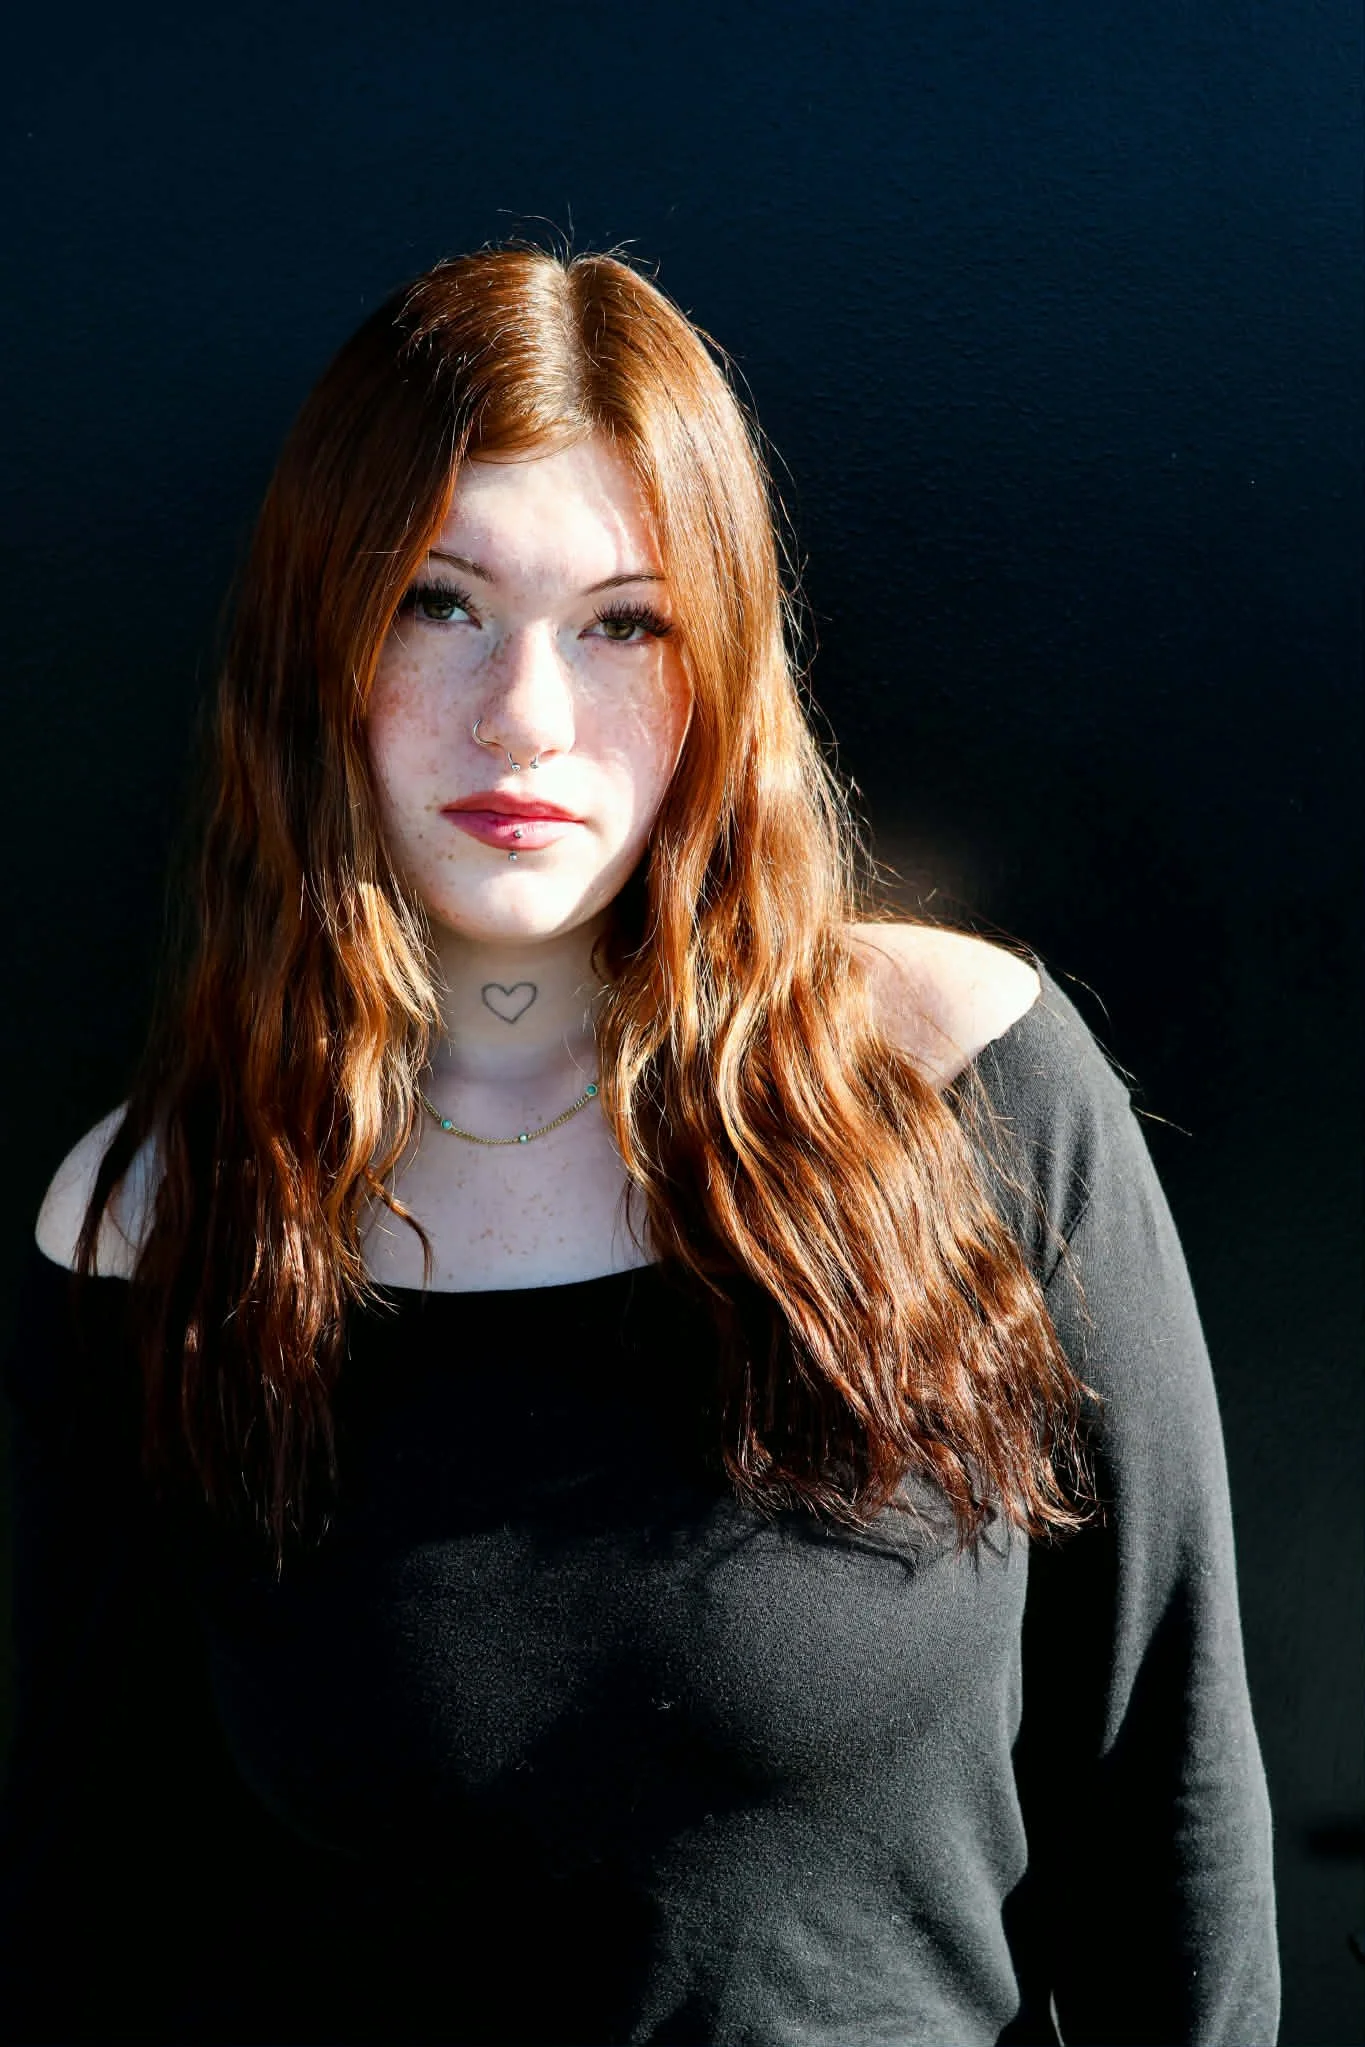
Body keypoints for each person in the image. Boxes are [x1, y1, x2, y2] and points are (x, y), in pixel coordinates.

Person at [0, 246, 1278, 2046]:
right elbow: (85, 1928)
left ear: (717, 671)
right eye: (439, 602)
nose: (526, 713)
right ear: (319, 643)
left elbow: (1169, 1801)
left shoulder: (960, 1084)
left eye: (623, 621)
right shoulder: (164, 1219)